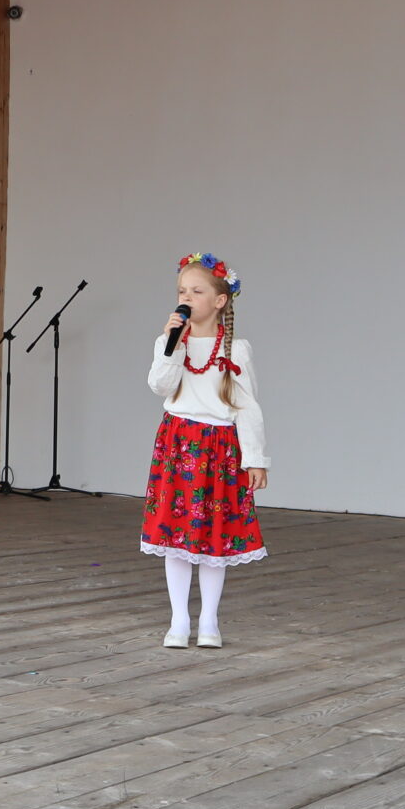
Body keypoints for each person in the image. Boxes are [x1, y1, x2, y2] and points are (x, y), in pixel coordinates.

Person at [143, 252, 266, 650]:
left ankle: (209, 620)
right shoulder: (169, 342)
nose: (187, 298)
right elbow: (160, 386)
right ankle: (179, 620)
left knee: (215, 537)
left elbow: (247, 406)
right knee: (175, 534)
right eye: (182, 291)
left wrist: (255, 458)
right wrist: (173, 344)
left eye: (197, 292)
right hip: (178, 445)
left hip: (220, 450)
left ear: (219, 301)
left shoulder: (236, 349)